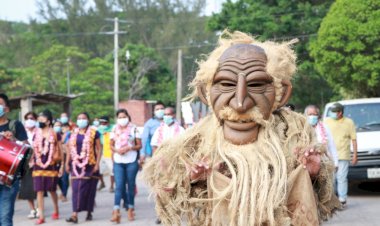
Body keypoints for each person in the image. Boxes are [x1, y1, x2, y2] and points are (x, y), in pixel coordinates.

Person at [143, 31, 340, 226]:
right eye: (227, 84)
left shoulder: (292, 136)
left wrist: (313, 174)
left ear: (282, 94)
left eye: (256, 85)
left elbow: (315, 200)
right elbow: (173, 196)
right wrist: (194, 180)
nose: (240, 104)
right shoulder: (196, 144)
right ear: (206, 93)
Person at [65, 112, 101, 223]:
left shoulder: (95, 133)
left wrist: (97, 164)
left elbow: (99, 149)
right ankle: (74, 214)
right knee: (75, 189)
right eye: (79, 118)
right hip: (76, 164)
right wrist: (67, 163)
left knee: (89, 190)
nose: (81, 120)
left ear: (88, 120)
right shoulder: (72, 133)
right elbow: (69, 149)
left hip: (90, 164)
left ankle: (89, 211)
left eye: (83, 118)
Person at [0, 93, 28, 226]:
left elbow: (27, 149)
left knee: (5, 218)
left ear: (6, 108)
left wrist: (13, 140)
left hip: (8, 180)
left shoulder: (15, 125)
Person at [110, 109, 142, 223]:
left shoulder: (134, 129)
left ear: (128, 117)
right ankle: (116, 210)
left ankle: (130, 208)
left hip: (131, 160)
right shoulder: (114, 129)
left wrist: (130, 148)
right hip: (118, 160)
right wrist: (117, 150)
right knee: (119, 186)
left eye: (124, 117)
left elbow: (139, 145)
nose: (122, 119)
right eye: (120, 117)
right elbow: (111, 145)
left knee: (131, 185)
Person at [32, 110, 63, 224]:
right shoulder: (36, 133)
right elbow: (34, 148)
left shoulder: (55, 133)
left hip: (51, 163)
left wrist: (62, 165)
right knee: (39, 190)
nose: (39, 122)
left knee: (52, 189)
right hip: (38, 163)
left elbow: (60, 150)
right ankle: (41, 216)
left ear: (48, 122)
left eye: (42, 120)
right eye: (38, 120)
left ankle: (56, 209)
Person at [325, 102, 358, 207]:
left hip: (343, 154)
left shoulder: (349, 122)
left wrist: (355, 155)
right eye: (332, 112)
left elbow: (353, 139)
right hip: (329, 155)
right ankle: (332, 199)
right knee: (331, 178)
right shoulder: (326, 121)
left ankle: (342, 200)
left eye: (335, 112)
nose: (333, 114)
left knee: (341, 177)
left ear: (340, 113)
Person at [19, 111, 38, 219]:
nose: (29, 120)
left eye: (31, 118)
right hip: (26, 163)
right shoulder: (23, 132)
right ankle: (32, 209)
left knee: (38, 186)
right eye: (27, 118)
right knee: (26, 187)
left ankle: (39, 207)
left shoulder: (39, 132)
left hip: (38, 162)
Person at [97, 116, 114, 192]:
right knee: (98, 170)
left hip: (109, 152)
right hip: (100, 152)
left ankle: (112, 186)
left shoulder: (113, 129)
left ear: (108, 122)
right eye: (101, 122)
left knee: (112, 170)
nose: (103, 124)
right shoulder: (98, 130)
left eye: (104, 122)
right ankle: (102, 183)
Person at [55, 121, 69, 202]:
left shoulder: (67, 135)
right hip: (56, 159)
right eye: (56, 125)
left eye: (59, 126)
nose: (58, 127)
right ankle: (62, 191)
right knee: (58, 178)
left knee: (65, 177)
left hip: (66, 157)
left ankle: (64, 194)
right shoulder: (52, 135)